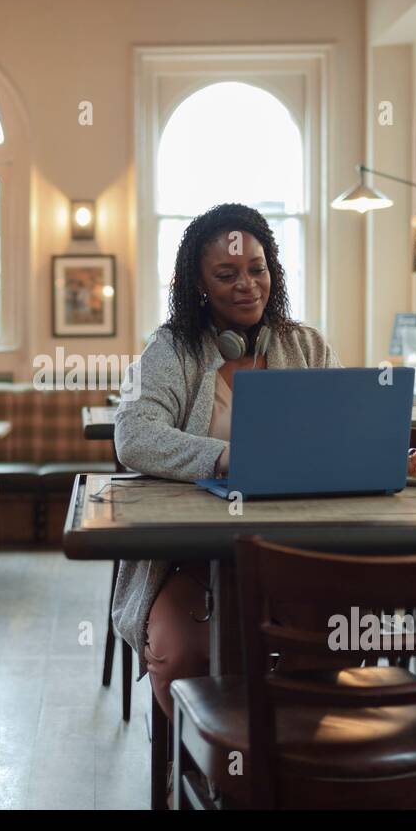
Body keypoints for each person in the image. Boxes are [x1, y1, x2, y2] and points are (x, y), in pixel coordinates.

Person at [113, 202, 341, 719]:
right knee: (186, 653)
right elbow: (133, 436)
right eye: (227, 274)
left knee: (332, 641)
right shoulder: (172, 349)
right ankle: (204, 770)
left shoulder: (305, 346)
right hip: (195, 560)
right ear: (199, 284)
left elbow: (341, 429)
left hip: (300, 553)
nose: (247, 285)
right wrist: (225, 458)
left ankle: (293, 761)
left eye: (257, 269)